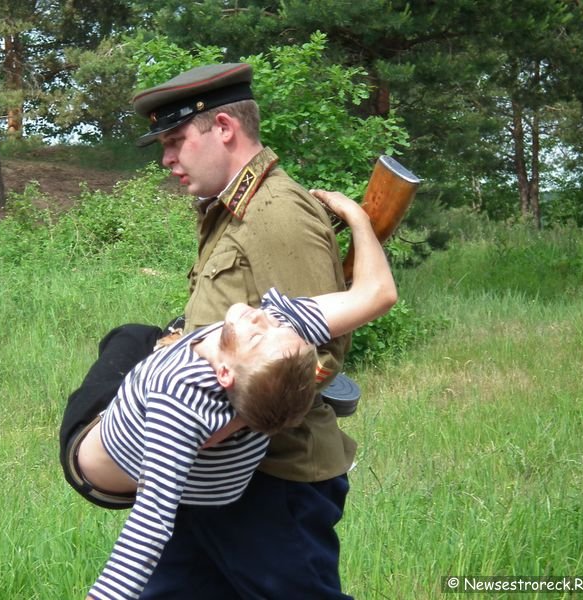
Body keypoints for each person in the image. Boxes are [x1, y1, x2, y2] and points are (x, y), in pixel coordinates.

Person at [70, 191, 396, 600]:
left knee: (127, 338)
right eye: (274, 327)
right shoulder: (281, 339)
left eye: (256, 335)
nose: (262, 315)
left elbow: (149, 525)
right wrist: (359, 218)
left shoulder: (180, 398)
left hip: (109, 462)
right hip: (219, 484)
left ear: (223, 373)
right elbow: (378, 294)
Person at [130, 62, 362, 599]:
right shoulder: (231, 209)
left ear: (225, 130)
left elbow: (316, 358)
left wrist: (217, 429)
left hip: (273, 479)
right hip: (217, 476)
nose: (167, 159)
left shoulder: (276, 213)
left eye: (175, 140)